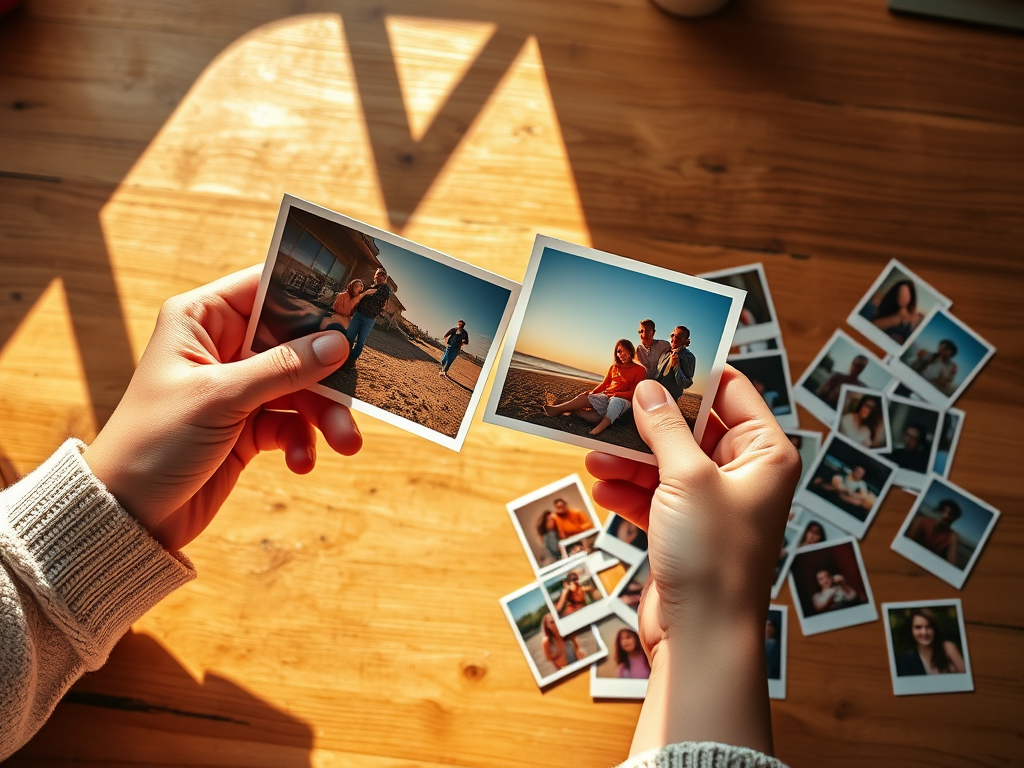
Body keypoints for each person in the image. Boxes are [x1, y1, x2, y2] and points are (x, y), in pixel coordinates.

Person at [2, 255, 801, 766]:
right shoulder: (633, 357)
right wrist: (708, 629)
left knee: (590, 405)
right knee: (584, 402)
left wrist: (111, 516)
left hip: (74, 576)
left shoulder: (660, 360)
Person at [542, 339, 646, 436]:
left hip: (623, 400)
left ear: (631, 351)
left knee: (611, 405)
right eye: (619, 351)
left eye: (625, 351)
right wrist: (592, 392)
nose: (621, 354)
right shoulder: (614, 367)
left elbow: (634, 393)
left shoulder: (640, 370)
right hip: (606, 396)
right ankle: (558, 409)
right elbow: (605, 384)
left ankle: (596, 430)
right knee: (585, 397)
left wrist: (616, 394)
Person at [895, 608, 966, 676]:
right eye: (918, 627)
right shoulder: (907, 660)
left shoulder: (947, 647)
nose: (924, 632)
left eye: (928, 627)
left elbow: (966, 677)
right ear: (910, 630)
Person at [344, 267, 392, 368]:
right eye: (377, 274)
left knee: (360, 342)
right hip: (358, 314)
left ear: (385, 277)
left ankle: (351, 361)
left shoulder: (385, 289)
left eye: (382, 274)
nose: (379, 276)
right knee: (349, 337)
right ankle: (344, 356)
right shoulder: (370, 286)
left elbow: (373, 296)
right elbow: (359, 296)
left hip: (369, 319)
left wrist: (364, 294)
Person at [869, 279, 924, 345]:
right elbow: (873, 325)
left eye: (905, 295)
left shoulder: (915, 318)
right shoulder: (887, 313)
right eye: (900, 293)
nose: (902, 297)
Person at [649, 326, 696, 402]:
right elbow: (657, 375)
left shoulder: (689, 357)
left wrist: (676, 367)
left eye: (678, 337)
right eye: (673, 335)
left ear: (685, 341)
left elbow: (686, 384)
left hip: (670, 401)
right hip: (655, 396)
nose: (674, 338)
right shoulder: (665, 353)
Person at [907, 500, 962, 564]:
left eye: (951, 514)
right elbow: (907, 545)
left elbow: (952, 564)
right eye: (943, 511)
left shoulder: (952, 537)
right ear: (938, 510)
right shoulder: (921, 521)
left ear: (954, 519)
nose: (946, 516)